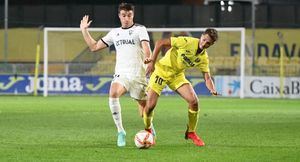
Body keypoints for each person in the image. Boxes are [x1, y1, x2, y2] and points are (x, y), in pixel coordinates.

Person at [80, 3, 154, 147]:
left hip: (139, 74)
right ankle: (121, 131)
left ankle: (149, 127)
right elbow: (94, 47)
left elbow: (146, 48)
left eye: (129, 15)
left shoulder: (140, 29)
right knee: (113, 93)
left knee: (144, 110)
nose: (126, 18)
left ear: (133, 15)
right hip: (122, 73)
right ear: (119, 16)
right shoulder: (114, 33)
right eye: (124, 15)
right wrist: (84, 31)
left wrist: (148, 57)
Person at [143, 28, 219, 147]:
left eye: (208, 43)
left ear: (212, 44)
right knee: (150, 106)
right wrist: (152, 62)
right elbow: (160, 43)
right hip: (161, 71)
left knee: (194, 101)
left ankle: (191, 132)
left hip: (177, 75)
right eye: (204, 40)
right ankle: (148, 128)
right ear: (201, 36)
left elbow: (207, 77)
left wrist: (212, 88)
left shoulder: (203, 58)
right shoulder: (187, 41)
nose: (204, 43)